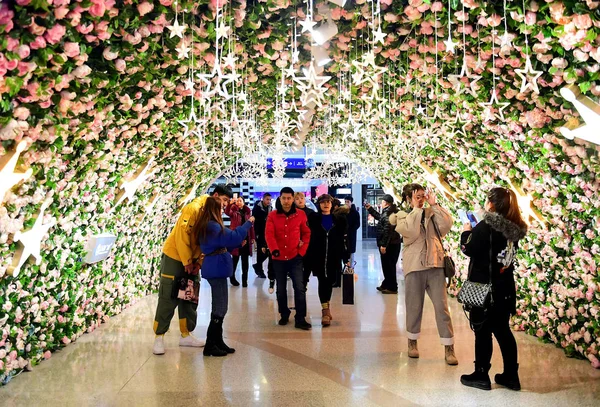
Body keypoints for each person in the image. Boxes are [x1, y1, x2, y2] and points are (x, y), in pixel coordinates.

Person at [459, 188, 528, 391]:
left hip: (484, 290)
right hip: (505, 288)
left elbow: (468, 249)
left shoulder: (485, 227)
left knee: (482, 331)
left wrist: (466, 231)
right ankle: (511, 375)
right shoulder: (514, 228)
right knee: (503, 331)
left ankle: (481, 374)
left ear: (492, 204)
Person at [152, 184, 233, 355]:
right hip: (175, 256)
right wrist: (187, 261)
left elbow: (206, 242)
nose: (225, 205)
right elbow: (182, 236)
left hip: (193, 260)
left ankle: (185, 334)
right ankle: (159, 336)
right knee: (169, 295)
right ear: (216, 195)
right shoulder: (194, 208)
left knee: (190, 296)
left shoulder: (213, 212)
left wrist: (198, 262)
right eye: (224, 200)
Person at [395, 184, 457, 365]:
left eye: (423, 196)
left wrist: (435, 205)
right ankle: (412, 342)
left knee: (442, 308)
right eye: (417, 196)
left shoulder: (432, 212)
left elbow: (447, 225)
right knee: (414, 307)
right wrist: (416, 209)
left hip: (436, 264)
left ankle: (449, 347)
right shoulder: (402, 216)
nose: (421, 199)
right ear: (408, 199)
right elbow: (411, 232)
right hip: (414, 266)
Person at [198, 197, 255, 356]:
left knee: (220, 305)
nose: (223, 210)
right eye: (222, 207)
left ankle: (217, 341)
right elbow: (233, 236)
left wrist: (235, 243)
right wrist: (248, 223)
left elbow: (224, 243)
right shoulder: (212, 226)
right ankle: (210, 345)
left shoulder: (208, 225)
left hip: (215, 266)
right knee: (220, 306)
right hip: (216, 268)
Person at [265, 187, 312, 330]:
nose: (286, 201)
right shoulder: (272, 215)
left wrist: (301, 251)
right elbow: (269, 235)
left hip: (295, 257)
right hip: (278, 259)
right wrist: (274, 250)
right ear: (279, 199)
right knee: (281, 289)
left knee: (299, 287)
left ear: (293, 199)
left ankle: (300, 318)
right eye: (284, 198)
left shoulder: (301, 215)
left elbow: (306, 234)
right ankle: (284, 314)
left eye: (289, 198)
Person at [306, 194, 349, 327]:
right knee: (322, 281)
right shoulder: (313, 218)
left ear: (332, 204)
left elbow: (344, 240)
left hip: (333, 256)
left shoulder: (339, 220)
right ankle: (325, 311)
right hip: (317, 255)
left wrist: (346, 258)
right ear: (319, 204)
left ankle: (327, 307)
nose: (326, 204)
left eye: (328, 202)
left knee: (330, 282)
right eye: (323, 202)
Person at [364, 194, 401, 294]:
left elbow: (387, 230)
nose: (381, 203)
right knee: (388, 265)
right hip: (392, 243)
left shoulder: (389, 213)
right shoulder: (389, 212)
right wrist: (371, 209)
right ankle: (386, 283)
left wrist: (384, 245)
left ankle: (392, 287)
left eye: (382, 202)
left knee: (389, 266)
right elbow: (381, 218)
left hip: (390, 244)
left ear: (385, 203)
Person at [225, 196, 255, 287]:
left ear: (244, 202)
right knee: (235, 260)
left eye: (240, 201)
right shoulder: (233, 211)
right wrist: (230, 204)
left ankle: (245, 280)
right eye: (237, 201)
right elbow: (227, 212)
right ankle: (232, 277)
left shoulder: (248, 212)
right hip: (236, 239)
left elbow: (251, 226)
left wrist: (253, 237)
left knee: (245, 262)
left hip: (246, 238)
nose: (238, 202)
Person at [294, 192, 315, 288]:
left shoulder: (311, 213)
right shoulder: (292, 213)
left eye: (302, 198)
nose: (300, 200)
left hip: (309, 243)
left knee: (308, 266)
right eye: (297, 198)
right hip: (295, 244)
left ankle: (303, 284)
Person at [252, 193, 272, 281]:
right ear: (263, 199)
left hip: (268, 231)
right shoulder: (257, 207)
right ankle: (260, 270)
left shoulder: (270, 208)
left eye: (269, 199)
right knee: (260, 251)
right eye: (267, 199)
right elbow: (255, 220)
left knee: (268, 251)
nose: (268, 201)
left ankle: (257, 266)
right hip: (259, 232)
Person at [344, 196, 361, 264]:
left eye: (348, 202)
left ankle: (350, 268)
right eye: (345, 202)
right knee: (344, 251)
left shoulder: (355, 213)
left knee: (351, 251)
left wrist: (350, 230)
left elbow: (357, 224)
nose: (346, 203)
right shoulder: (343, 212)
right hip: (343, 235)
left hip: (351, 235)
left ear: (351, 202)